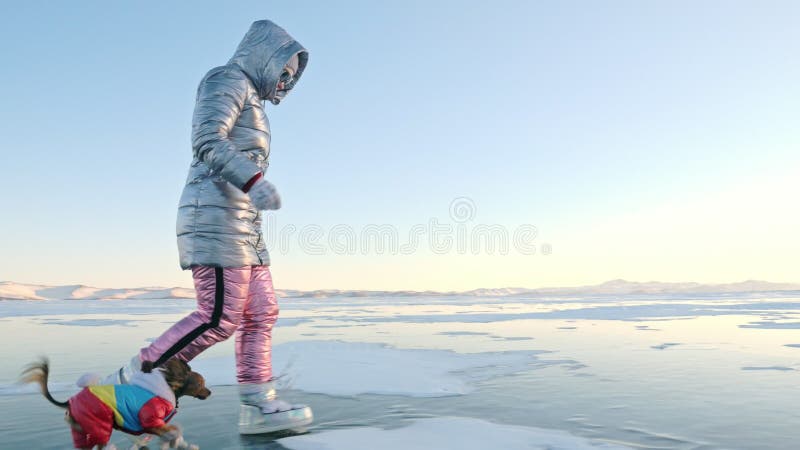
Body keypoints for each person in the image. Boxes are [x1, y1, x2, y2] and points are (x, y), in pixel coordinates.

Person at [84, 19, 311, 434]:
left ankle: (258, 404)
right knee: (218, 317)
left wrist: (253, 206)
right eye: (284, 70)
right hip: (213, 218)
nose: (287, 82)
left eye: (293, 77)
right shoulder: (227, 80)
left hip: (244, 226)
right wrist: (254, 181)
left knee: (261, 312)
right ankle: (139, 371)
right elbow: (207, 140)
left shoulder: (256, 105)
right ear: (266, 57)